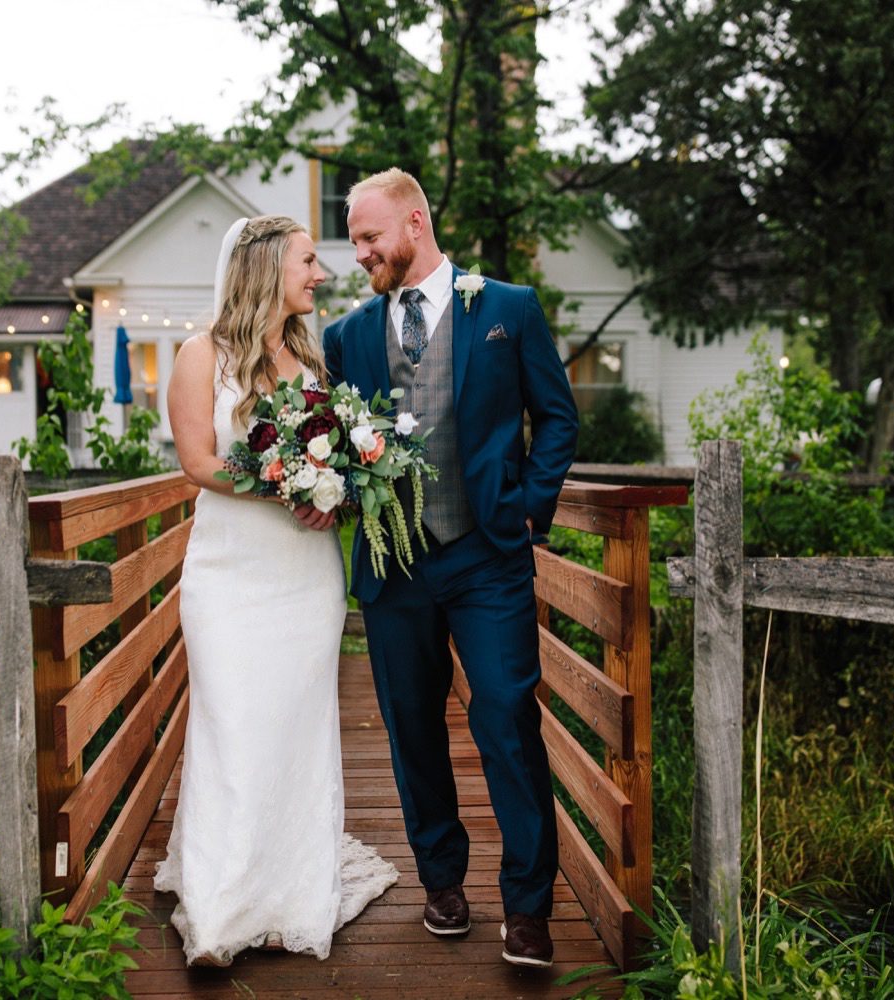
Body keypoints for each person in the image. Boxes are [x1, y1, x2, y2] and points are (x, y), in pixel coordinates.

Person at [323, 169, 579, 968]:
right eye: (355, 240)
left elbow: (558, 419)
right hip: (393, 566)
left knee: (506, 717)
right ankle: (441, 881)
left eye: (369, 237)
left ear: (416, 222)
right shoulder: (349, 336)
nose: (359, 252)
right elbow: (335, 441)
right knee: (413, 730)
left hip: (487, 556)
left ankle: (529, 907)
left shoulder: (507, 309)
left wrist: (531, 504)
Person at [157, 214, 397, 967]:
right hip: (229, 575)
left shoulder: (312, 363)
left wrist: (337, 488)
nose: (320, 275)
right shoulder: (203, 356)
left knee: (293, 726)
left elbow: (336, 461)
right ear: (265, 267)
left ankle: (291, 885)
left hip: (304, 578)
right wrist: (286, 482)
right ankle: (224, 898)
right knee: (232, 724)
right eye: (307, 261)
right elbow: (198, 461)